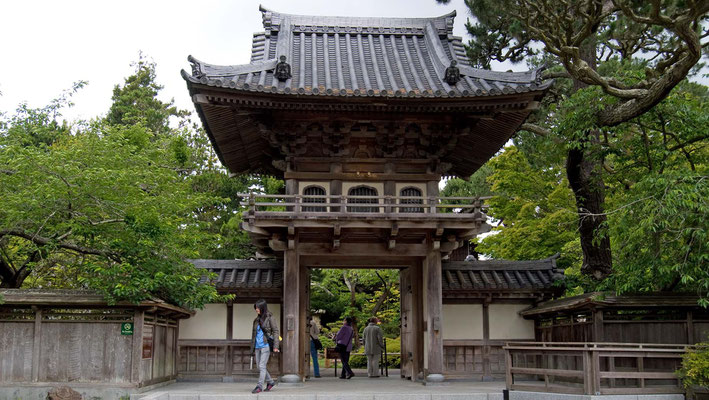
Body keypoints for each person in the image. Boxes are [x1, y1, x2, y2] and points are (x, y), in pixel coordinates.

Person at [250, 299, 280, 393]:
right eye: (256, 307)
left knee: (262, 365)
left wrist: (276, 346)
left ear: (262, 308)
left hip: (265, 345)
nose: (256, 309)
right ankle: (270, 382)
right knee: (260, 367)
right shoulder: (256, 320)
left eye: (258, 308)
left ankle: (259, 386)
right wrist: (252, 348)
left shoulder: (270, 318)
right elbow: (253, 335)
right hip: (257, 346)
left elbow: (275, 331)